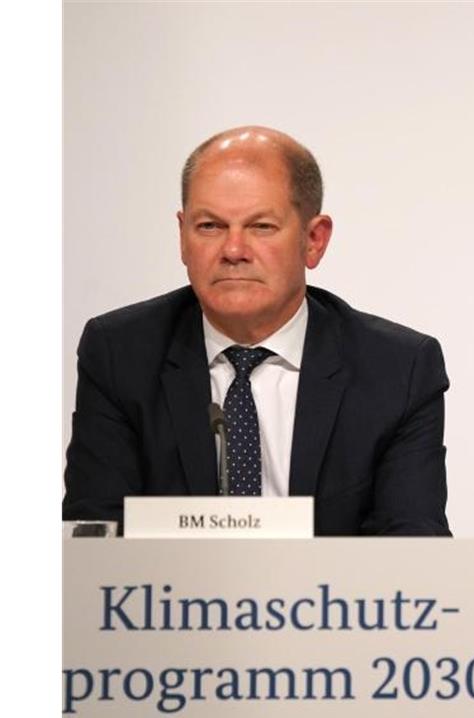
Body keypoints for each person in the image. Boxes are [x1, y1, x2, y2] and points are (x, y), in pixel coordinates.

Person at [63, 126, 451, 535]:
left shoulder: (397, 369)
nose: (233, 251)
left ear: (314, 240)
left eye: (261, 227)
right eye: (210, 226)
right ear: (182, 236)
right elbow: (94, 541)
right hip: (171, 596)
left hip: (327, 598)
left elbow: (412, 551)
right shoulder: (120, 354)